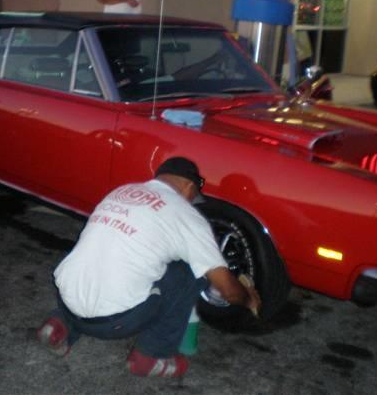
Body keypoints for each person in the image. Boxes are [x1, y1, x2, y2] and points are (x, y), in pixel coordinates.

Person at [37, 157, 261, 378]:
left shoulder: (122, 191)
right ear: (189, 187)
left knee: (100, 256)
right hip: (115, 322)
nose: (192, 201)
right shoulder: (186, 214)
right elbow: (228, 290)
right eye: (194, 196)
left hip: (65, 299)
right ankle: (152, 356)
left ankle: (61, 324)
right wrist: (248, 298)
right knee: (190, 273)